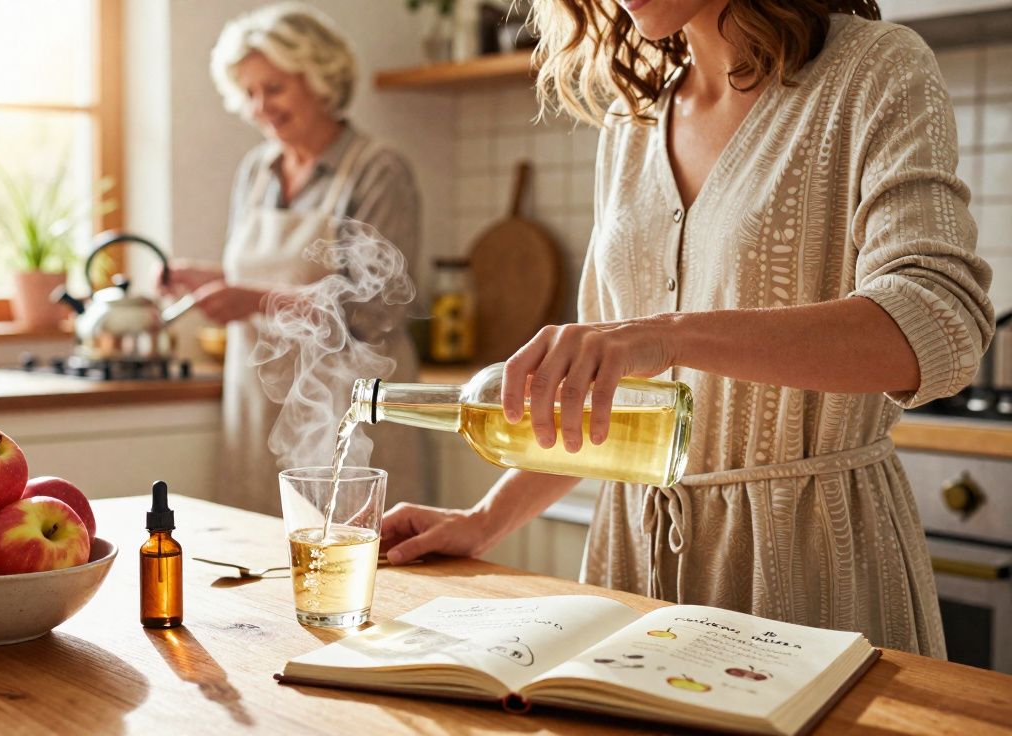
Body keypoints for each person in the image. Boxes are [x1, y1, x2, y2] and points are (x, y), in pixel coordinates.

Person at [381, 0, 993, 658]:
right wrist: (483, 522)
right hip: (633, 568)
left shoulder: (874, 69)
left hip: (811, 561)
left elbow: (941, 322)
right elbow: (595, 390)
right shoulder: (631, 122)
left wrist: (669, 335)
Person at [167, 3, 426, 515]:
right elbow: (269, 275)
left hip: (347, 405)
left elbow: (372, 310)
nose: (260, 106)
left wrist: (251, 299)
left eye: (275, 87)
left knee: (356, 557)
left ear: (321, 80)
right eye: (249, 92)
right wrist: (208, 278)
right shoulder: (257, 170)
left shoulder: (376, 170)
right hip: (257, 403)